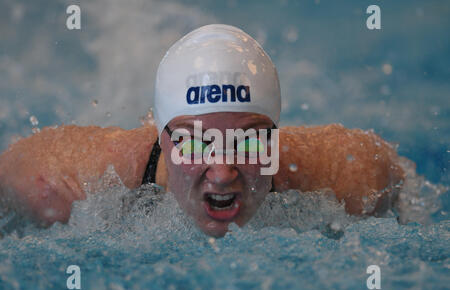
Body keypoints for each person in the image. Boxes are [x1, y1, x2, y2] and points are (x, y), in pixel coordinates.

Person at [0, 25, 404, 237]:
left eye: (247, 141)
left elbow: (396, 177)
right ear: (161, 138)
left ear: (275, 140)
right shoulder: (58, 187)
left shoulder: (350, 181)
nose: (223, 171)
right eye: (196, 142)